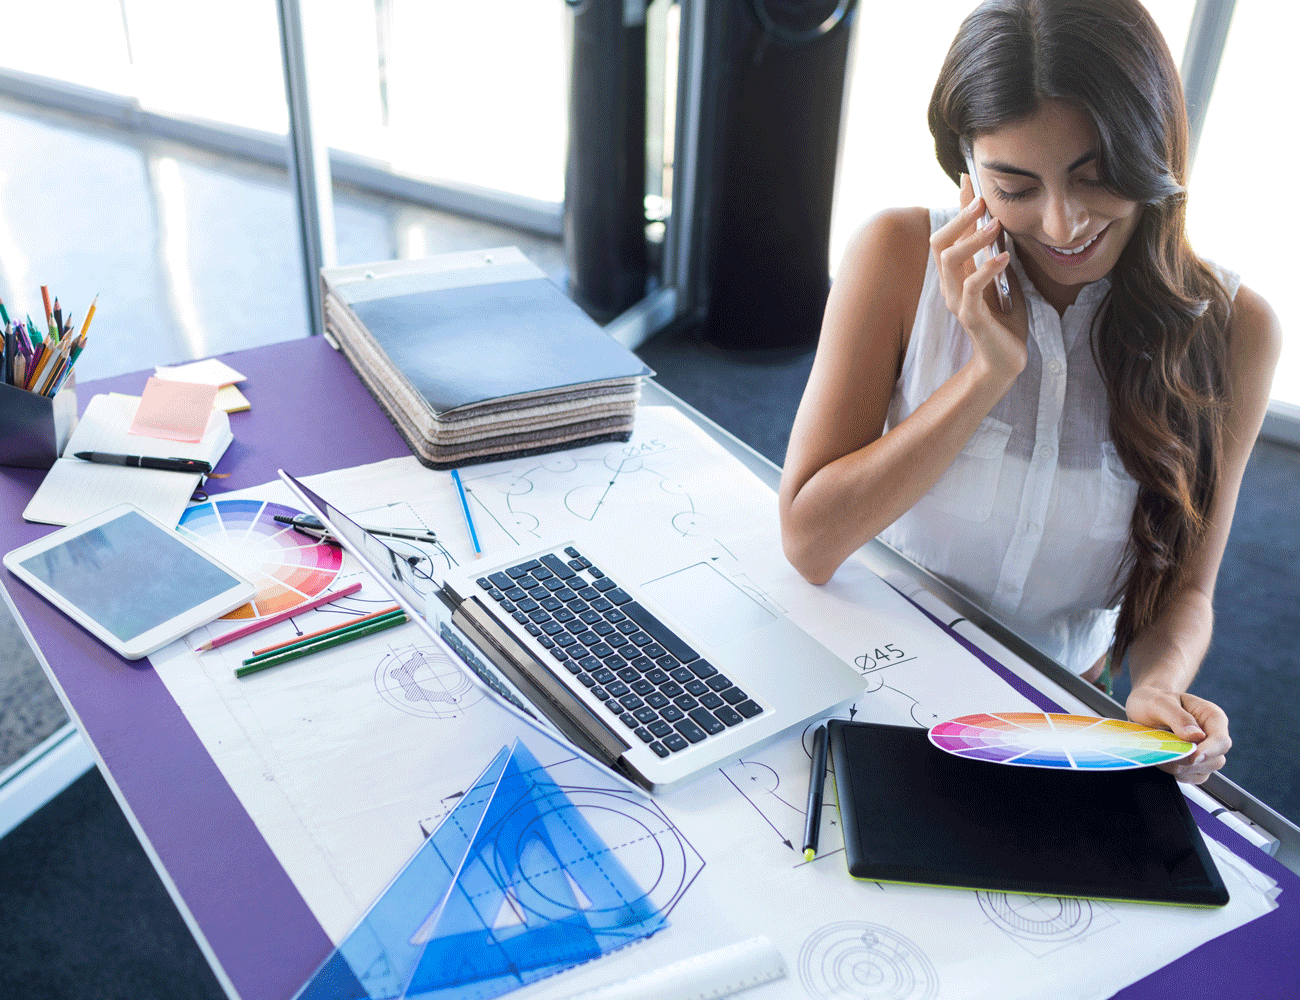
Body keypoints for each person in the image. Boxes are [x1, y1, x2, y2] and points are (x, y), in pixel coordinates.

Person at [778, 0, 1281, 784]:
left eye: (1096, 176)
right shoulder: (895, 253)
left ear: (1154, 149)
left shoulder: (1234, 330)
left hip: (1049, 718)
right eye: (1014, 186)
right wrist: (986, 373)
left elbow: (1185, 591)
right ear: (967, 170)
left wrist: (1156, 687)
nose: (1063, 222)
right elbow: (810, 542)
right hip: (865, 672)